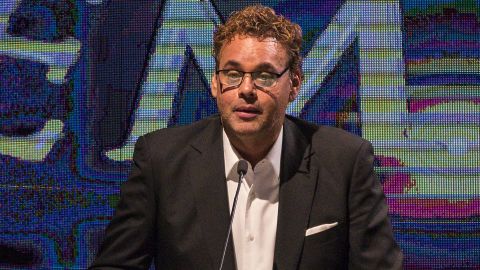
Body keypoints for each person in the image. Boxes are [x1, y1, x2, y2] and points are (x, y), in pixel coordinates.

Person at [90, 4, 403, 270]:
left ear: (294, 85)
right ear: (215, 84)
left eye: (265, 75)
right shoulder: (162, 159)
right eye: (233, 74)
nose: (247, 90)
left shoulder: (344, 161)